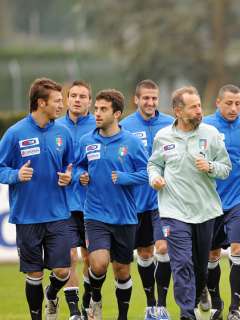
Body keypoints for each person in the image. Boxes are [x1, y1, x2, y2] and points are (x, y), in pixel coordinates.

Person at [147, 86, 231, 320]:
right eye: (193, 107)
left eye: (199, 106)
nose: (199, 111)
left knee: (200, 268)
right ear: (178, 111)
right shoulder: (163, 137)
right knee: (182, 262)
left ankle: (198, 294)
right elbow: (154, 164)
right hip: (173, 211)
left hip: (205, 211)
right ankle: (187, 314)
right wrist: (154, 178)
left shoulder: (211, 134)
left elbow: (226, 169)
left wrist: (211, 167)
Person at [0, 78, 74, 320]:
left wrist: (69, 176)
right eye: (57, 101)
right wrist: (15, 174)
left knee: (63, 271)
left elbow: (72, 165)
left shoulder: (63, 132)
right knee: (34, 275)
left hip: (59, 215)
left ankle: (52, 294)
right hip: (28, 216)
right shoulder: (15, 133)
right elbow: (1, 168)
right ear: (41, 103)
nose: (62, 105)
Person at [76, 89, 149, 320]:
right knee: (98, 264)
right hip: (95, 214)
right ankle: (95, 297)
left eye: (103, 109)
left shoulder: (132, 143)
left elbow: (147, 173)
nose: (97, 113)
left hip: (125, 217)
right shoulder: (87, 140)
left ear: (116, 113)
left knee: (122, 271)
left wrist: (126, 178)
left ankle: (123, 316)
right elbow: (78, 165)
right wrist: (81, 174)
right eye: (96, 109)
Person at [120, 79, 174, 320]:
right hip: (135, 201)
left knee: (163, 247)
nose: (151, 102)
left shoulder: (170, 124)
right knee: (144, 253)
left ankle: (161, 305)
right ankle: (150, 303)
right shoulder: (125, 126)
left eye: (154, 98)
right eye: (146, 98)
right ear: (136, 99)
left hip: (163, 201)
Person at [203, 84, 240, 320]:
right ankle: (216, 301)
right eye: (229, 103)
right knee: (211, 256)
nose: (235, 108)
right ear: (218, 102)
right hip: (210, 200)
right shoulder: (205, 126)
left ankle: (235, 307)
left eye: (238, 104)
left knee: (238, 249)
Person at [56, 80, 97, 319]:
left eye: (83, 96)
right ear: (67, 99)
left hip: (92, 204)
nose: (78, 99)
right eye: (73, 95)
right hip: (63, 204)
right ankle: (74, 312)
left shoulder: (99, 126)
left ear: (90, 101)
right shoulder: (55, 127)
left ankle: (88, 298)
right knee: (70, 256)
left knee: (92, 258)